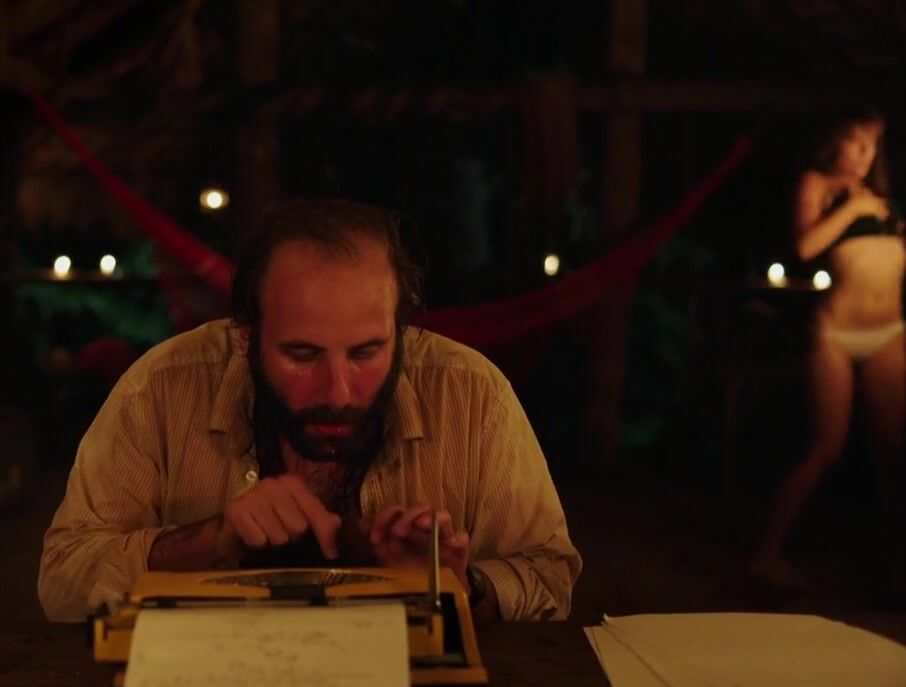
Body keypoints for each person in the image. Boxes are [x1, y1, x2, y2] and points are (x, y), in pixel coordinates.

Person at [38, 198, 581, 622]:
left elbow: (550, 578)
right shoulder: (160, 389)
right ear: (246, 335)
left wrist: (464, 589)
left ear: (400, 329)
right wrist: (209, 543)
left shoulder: (473, 395)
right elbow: (62, 585)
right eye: (302, 355)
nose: (339, 393)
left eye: (366, 353)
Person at [751, 108, 906, 589]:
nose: (866, 154)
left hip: (888, 333)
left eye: (873, 145)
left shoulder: (878, 195)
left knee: (893, 451)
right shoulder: (818, 185)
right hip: (836, 334)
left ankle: (903, 566)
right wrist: (854, 211)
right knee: (826, 448)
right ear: (835, 142)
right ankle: (766, 553)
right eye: (858, 142)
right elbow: (805, 247)